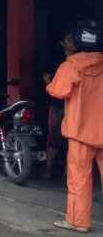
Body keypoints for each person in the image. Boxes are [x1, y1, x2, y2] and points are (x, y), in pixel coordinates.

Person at [47, 19, 103, 234]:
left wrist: (49, 82)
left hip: (81, 131)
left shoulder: (70, 65)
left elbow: (58, 91)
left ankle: (78, 221)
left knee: (79, 177)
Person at [41, 28, 76, 180]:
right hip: (58, 104)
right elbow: (46, 78)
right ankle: (48, 169)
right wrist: (59, 91)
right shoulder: (55, 58)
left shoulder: (81, 59)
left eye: (74, 38)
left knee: (73, 140)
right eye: (69, 39)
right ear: (62, 43)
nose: (73, 42)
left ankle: (67, 173)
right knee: (54, 137)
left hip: (76, 104)